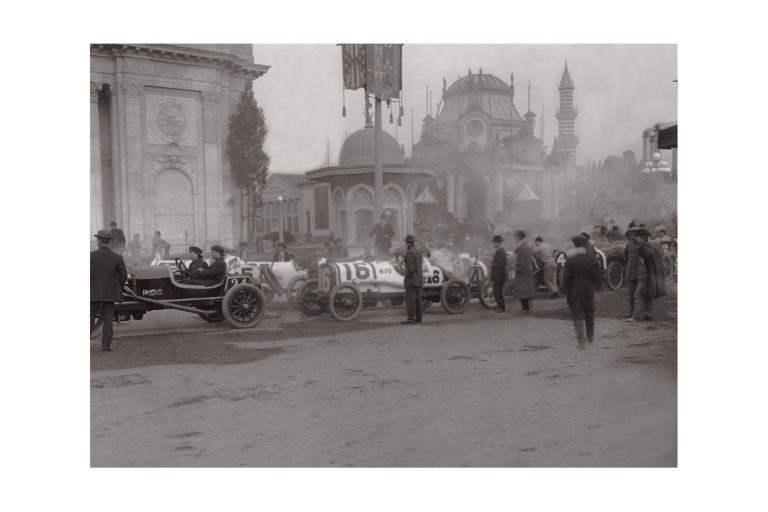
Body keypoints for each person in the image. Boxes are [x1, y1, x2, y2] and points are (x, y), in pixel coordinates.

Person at [91, 230, 128, 352]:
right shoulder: (117, 257)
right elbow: (123, 276)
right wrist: (117, 286)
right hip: (110, 293)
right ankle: (106, 346)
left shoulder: (90, 256)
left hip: (93, 293)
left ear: (99, 241)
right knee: (107, 320)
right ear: (109, 242)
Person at [562, 235, 601, 348]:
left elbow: (566, 278)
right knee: (589, 315)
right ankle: (590, 337)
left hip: (575, 292)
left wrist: (565, 290)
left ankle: (581, 341)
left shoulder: (571, 260)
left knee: (577, 315)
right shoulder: (592, 259)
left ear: (574, 245)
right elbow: (597, 275)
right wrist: (597, 285)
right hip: (588, 291)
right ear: (585, 245)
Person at [628, 228, 666, 322]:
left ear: (643, 238)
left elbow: (646, 263)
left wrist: (644, 271)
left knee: (638, 294)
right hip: (650, 274)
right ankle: (648, 314)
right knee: (647, 294)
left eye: (637, 237)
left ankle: (636, 316)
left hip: (645, 274)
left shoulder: (644, 247)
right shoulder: (651, 245)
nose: (636, 239)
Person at [402, 234, 423, 324]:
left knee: (410, 300)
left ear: (407, 243)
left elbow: (410, 269)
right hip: (419, 279)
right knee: (418, 299)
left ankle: (410, 318)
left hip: (411, 280)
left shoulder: (409, 252)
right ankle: (419, 318)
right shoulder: (418, 252)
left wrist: (406, 277)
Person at [512, 230, 535, 314]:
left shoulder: (522, 247)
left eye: (515, 237)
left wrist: (517, 269)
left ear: (518, 238)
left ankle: (525, 309)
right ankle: (526, 309)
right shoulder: (524, 245)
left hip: (522, 272)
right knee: (524, 292)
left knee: (523, 292)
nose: (514, 239)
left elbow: (522, 261)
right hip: (525, 272)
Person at [623, 228, 642, 319]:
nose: (634, 237)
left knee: (639, 294)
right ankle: (631, 312)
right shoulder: (628, 245)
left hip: (640, 273)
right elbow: (626, 257)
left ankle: (640, 313)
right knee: (631, 295)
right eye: (632, 236)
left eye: (636, 236)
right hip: (630, 273)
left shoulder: (642, 245)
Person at [490, 235, 508, 313]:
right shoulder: (499, 251)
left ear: (498, 243)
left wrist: (492, 265)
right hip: (497, 274)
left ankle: (501, 307)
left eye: (494, 242)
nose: (493, 244)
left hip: (499, 275)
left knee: (498, 291)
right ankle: (499, 305)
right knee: (496, 291)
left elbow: (501, 264)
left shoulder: (501, 252)